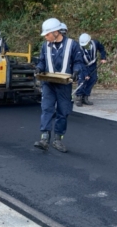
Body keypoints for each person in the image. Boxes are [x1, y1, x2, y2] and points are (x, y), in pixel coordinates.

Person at [34, 18, 84, 153]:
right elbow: (42, 61)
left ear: (56, 32)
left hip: (64, 84)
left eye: (47, 34)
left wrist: (76, 71)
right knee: (46, 109)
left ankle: (58, 139)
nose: (45, 37)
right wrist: (39, 68)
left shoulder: (72, 45)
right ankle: (44, 139)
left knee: (63, 111)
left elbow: (78, 62)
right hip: (48, 83)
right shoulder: (45, 46)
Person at [75, 33, 107, 107]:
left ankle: (85, 96)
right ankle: (79, 97)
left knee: (93, 79)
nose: (85, 46)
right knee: (82, 81)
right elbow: (80, 62)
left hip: (92, 65)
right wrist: (86, 74)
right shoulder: (78, 49)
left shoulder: (95, 43)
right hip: (83, 66)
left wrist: (103, 57)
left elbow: (102, 48)